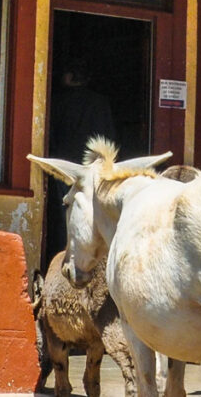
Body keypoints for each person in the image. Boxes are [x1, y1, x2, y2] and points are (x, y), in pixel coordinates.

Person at [44, 57, 116, 266]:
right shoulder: (100, 102)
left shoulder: (56, 102)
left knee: (63, 216)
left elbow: (50, 137)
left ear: (69, 76)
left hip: (63, 170)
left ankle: (61, 258)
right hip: (94, 171)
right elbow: (110, 138)